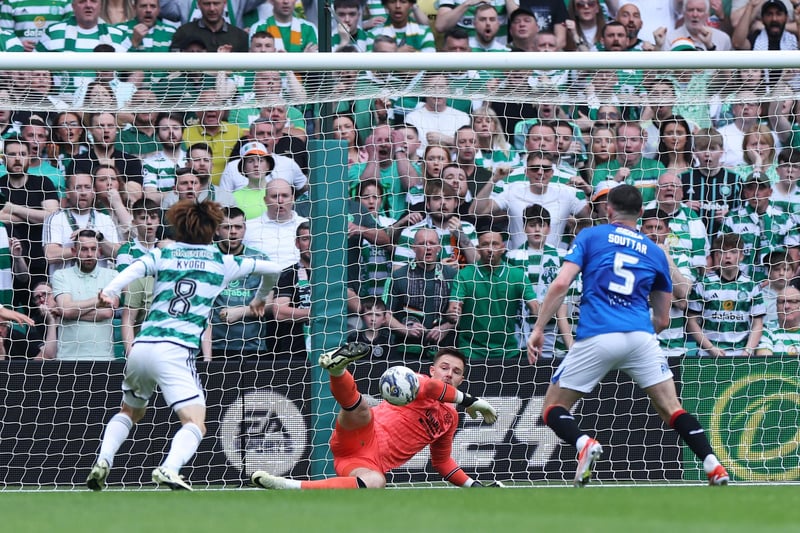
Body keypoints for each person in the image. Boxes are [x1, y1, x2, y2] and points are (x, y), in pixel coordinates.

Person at [527, 184, 730, 487]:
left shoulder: (592, 236)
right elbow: (662, 318)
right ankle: (713, 464)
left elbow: (561, 284)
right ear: (640, 214)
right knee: (672, 409)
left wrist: (540, 327)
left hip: (596, 334)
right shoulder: (653, 251)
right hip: (640, 337)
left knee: (552, 409)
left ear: (608, 209)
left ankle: (584, 443)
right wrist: (636, 339)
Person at [86, 199, 282, 491]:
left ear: (178, 226)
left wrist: (111, 291)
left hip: (142, 345)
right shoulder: (223, 261)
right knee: (195, 422)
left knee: (129, 412)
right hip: (175, 349)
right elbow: (273, 268)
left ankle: (103, 460)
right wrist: (259, 298)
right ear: (213, 230)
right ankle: (169, 468)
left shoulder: (164, 253)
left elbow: (135, 269)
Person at [250, 344, 499, 489]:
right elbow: (434, 389)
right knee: (362, 410)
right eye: (444, 368)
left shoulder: (450, 419)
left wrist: (473, 486)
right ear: (431, 370)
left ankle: (289, 485)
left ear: (462, 379)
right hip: (362, 434)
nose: (448, 375)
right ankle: (338, 370)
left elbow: (442, 463)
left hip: (364, 463)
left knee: (376, 482)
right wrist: (472, 401)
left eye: (456, 372)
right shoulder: (418, 383)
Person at [448, 229, 538, 360]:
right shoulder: (464, 275)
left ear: (503, 248)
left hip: (508, 351)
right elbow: (454, 306)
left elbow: (535, 308)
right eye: (485, 244)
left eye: (495, 244)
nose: (490, 249)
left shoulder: (517, 275)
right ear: (478, 248)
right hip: (471, 351)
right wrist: (453, 312)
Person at [686, 232, 765, 357]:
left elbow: (757, 324)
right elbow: (691, 322)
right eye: (723, 252)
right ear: (717, 255)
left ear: (741, 256)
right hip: (708, 354)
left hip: (741, 355)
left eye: (733, 252)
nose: (728, 256)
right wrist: (711, 348)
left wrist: (747, 351)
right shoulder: (703, 283)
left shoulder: (752, 286)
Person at [52, 229, 119, 360]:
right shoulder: (61, 275)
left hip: (103, 358)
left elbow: (107, 313)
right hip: (68, 358)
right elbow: (67, 310)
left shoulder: (112, 275)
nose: (89, 254)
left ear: (99, 252)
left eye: (93, 249)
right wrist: (98, 303)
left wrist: (69, 312)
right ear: (74, 251)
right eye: (84, 249)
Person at [757, 285, 800, 356]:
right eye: (781, 302)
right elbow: (765, 363)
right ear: (776, 306)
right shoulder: (768, 329)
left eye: (792, 301)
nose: (786, 306)